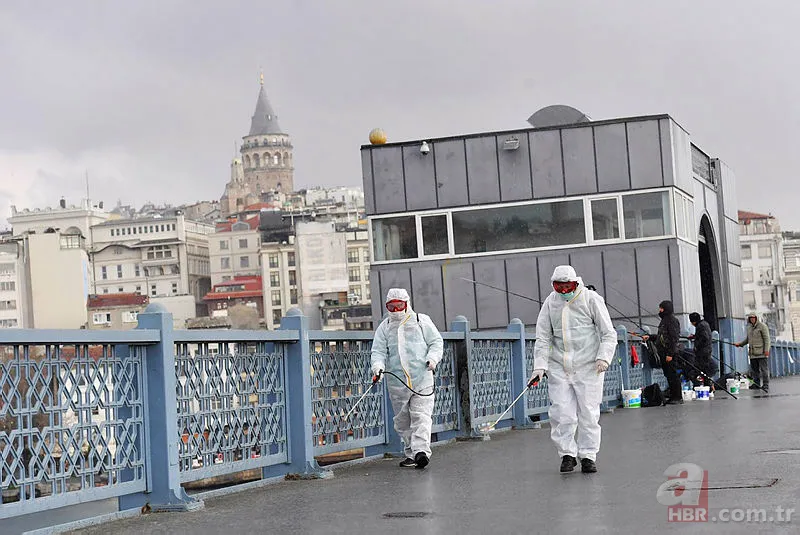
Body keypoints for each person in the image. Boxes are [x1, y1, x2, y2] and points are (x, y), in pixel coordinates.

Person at [531, 265, 616, 474]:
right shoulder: (551, 303)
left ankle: (588, 455)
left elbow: (608, 333)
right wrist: (540, 367)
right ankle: (567, 454)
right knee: (562, 413)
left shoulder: (591, 299)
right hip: (559, 366)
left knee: (588, 412)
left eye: (566, 286)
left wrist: (603, 358)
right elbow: (543, 337)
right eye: (558, 287)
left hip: (589, 366)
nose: (562, 291)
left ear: (575, 283)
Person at [371, 288, 443, 469]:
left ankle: (421, 452)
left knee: (421, 416)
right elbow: (378, 351)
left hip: (422, 378)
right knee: (402, 421)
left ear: (407, 304)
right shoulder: (385, 327)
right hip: (397, 382)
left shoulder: (421, 321)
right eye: (391, 306)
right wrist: (378, 368)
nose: (396, 310)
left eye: (399, 306)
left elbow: (436, 342)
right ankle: (412, 452)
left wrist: (432, 359)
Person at [643, 301, 683, 405]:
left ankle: (677, 397)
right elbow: (662, 337)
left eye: (661, 308)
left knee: (673, 375)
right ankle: (673, 396)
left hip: (669, 354)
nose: (659, 310)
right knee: (669, 375)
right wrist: (650, 337)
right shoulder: (665, 320)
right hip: (664, 353)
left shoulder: (671, 320)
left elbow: (673, 338)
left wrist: (670, 354)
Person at [736, 314, 771, 392]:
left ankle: (765, 384)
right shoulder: (749, 328)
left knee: (764, 369)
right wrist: (740, 344)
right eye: (750, 318)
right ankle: (756, 384)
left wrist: (766, 350)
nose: (752, 319)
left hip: (762, 352)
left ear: (756, 318)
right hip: (752, 353)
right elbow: (747, 339)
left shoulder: (762, 326)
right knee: (754, 370)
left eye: (753, 318)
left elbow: (767, 339)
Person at [688, 312, 719, 390]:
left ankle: (702, 386)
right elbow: (703, 335)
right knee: (703, 370)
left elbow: (704, 337)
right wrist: (694, 336)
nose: (692, 324)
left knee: (699, 370)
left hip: (702, 352)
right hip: (706, 351)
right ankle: (708, 386)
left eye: (691, 321)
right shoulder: (704, 324)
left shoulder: (700, 326)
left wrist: (697, 346)